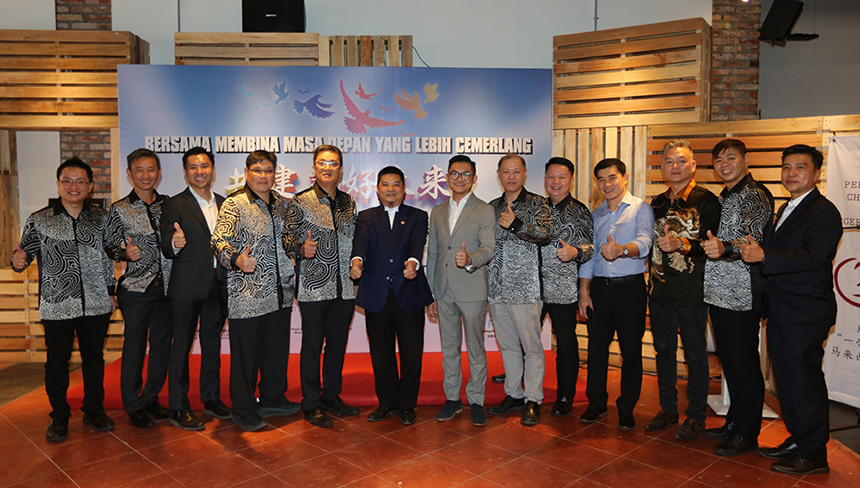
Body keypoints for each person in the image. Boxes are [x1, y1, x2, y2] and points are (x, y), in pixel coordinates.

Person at [739, 144, 842, 475]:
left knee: (804, 382)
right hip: (783, 310)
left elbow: (814, 256)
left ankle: (814, 454)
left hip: (806, 311)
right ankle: (799, 439)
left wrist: (765, 256)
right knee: (786, 381)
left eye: (800, 167)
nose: (791, 173)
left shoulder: (824, 211)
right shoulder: (786, 207)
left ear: (816, 173)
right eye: (786, 167)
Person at [11, 157, 117, 442]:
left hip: (96, 302)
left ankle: (94, 409)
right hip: (57, 304)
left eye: (80, 181)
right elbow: (23, 255)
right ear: (58, 184)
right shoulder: (40, 219)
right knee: (57, 361)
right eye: (68, 181)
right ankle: (59, 415)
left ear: (90, 186)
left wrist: (111, 292)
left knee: (94, 359)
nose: (74, 186)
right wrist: (18, 261)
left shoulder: (101, 218)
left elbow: (107, 259)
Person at [211, 151, 297, 432]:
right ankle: (244, 408)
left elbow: (290, 241)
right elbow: (218, 241)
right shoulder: (234, 204)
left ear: (275, 174)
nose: (263, 176)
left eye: (268, 170)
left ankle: (273, 397)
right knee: (246, 356)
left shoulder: (282, 204)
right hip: (247, 294)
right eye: (257, 170)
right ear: (247, 172)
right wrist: (236, 259)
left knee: (276, 351)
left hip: (281, 292)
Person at [701, 139, 774, 455]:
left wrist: (724, 248)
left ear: (747, 159)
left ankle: (747, 432)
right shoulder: (723, 197)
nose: (724, 164)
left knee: (744, 364)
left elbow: (752, 240)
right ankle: (734, 422)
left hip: (742, 295)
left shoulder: (755, 194)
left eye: (731, 157)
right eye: (719, 159)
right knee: (730, 362)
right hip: (718, 294)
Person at [645, 140, 720, 441]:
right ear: (662, 167)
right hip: (659, 291)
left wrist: (682, 244)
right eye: (668, 161)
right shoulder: (656, 204)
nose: (674, 166)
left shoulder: (706, 201)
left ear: (693, 166)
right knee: (663, 351)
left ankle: (696, 415)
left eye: (681, 161)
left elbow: (713, 245)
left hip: (692, 292)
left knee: (695, 355)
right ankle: (667, 409)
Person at [283, 144, 360, 428]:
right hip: (313, 287)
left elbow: (356, 241)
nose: (328, 168)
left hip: (345, 287)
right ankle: (311, 403)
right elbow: (287, 239)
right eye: (322, 163)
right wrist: (300, 248)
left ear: (340, 170)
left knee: (337, 345)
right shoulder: (301, 201)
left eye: (333, 163)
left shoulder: (348, 202)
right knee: (312, 346)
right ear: (314, 168)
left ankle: (331, 396)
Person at [351, 166, 434, 426]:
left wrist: (413, 263)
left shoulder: (418, 215)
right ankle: (387, 403)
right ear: (377, 189)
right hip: (376, 295)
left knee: (411, 353)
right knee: (381, 353)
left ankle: (407, 404)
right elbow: (360, 243)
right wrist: (356, 262)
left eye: (395, 184)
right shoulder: (366, 217)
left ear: (404, 189)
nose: (390, 189)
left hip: (408, 293)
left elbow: (416, 243)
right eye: (385, 184)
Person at [578, 158, 653, 431]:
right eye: (601, 179)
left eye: (612, 177)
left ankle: (626, 407)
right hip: (599, 289)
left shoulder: (641, 208)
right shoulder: (595, 215)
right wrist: (584, 291)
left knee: (630, 351)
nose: (606, 184)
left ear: (625, 177)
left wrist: (621, 250)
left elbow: (645, 242)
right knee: (596, 350)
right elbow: (589, 257)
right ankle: (596, 402)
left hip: (630, 288)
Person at [160, 146, 230, 431]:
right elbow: (166, 241)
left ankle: (211, 399)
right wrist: (174, 243)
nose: (199, 172)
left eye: (204, 166)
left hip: (219, 283)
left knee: (212, 344)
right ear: (185, 172)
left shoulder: (225, 203)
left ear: (212, 169)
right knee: (181, 347)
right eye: (193, 167)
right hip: (187, 286)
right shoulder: (174, 204)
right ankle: (179, 407)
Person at [105, 148, 173, 429]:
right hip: (135, 289)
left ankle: (151, 398)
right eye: (140, 170)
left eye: (151, 169)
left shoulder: (169, 205)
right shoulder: (119, 209)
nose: (146, 175)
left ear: (159, 173)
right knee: (134, 347)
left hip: (167, 289)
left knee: (161, 347)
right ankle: (133, 404)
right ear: (129, 173)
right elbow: (108, 246)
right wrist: (124, 254)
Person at [426, 155, 495, 426]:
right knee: (449, 348)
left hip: (472, 287)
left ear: (474, 178)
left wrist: (470, 260)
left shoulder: (484, 210)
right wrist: (432, 293)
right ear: (447, 178)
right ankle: (452, 398)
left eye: (466, 174)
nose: (460, 179)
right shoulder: (438, 211)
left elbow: (488, 248)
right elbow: (433, 253)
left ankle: (476, 400)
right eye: (455, 174)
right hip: (443, 290)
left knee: (476, 348)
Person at [485, 154, 552, 427]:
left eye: (516, 172)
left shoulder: (538, 203)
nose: (511, 177)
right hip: (496, 288)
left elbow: (546, 235)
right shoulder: (491, 207)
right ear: (498, 175)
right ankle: (513, 393)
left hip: (525, 288)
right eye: (506, 172)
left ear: (524, 174)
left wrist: (515, 224)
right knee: (508, 345)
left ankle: (533, 398)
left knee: (531, 347)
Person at [540, 157, 594, 416]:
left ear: (571, 180)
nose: (556, 182)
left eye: (561, 177)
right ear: (544, 180)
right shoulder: (536, 209)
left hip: (564, 290)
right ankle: (517, 382)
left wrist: (576, 252)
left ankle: (565, 395)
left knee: (565, 344)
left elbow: (591, 249)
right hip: (533, 288)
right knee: (524, 339)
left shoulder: (580, 211)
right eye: (551, 177)